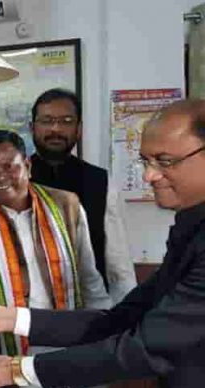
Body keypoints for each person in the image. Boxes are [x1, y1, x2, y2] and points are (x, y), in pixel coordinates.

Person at [0, 100, 205, 388]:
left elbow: (145, 345)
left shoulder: (65, 203)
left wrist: (18, 369)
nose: (149, 176)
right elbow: (120, 318)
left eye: (165, 161)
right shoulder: (190, 225)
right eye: (146, 161)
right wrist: (11, 318)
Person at [0, 129, 111, 388]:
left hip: (70, 337)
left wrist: (105, 334)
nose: (0, 177)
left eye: (9, 167)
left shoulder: (66, 204)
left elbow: (89, 277)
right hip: (8, 349)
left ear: (27, 165)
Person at [29, 89, 136, 303]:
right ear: (32, 128)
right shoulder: (13, 182)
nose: (56, 129)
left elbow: (118, 261)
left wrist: (127, 309)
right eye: (47, 121)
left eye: (66, 121)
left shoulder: (100, 181)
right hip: (30, 307)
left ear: (78, 129)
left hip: (90, 306)